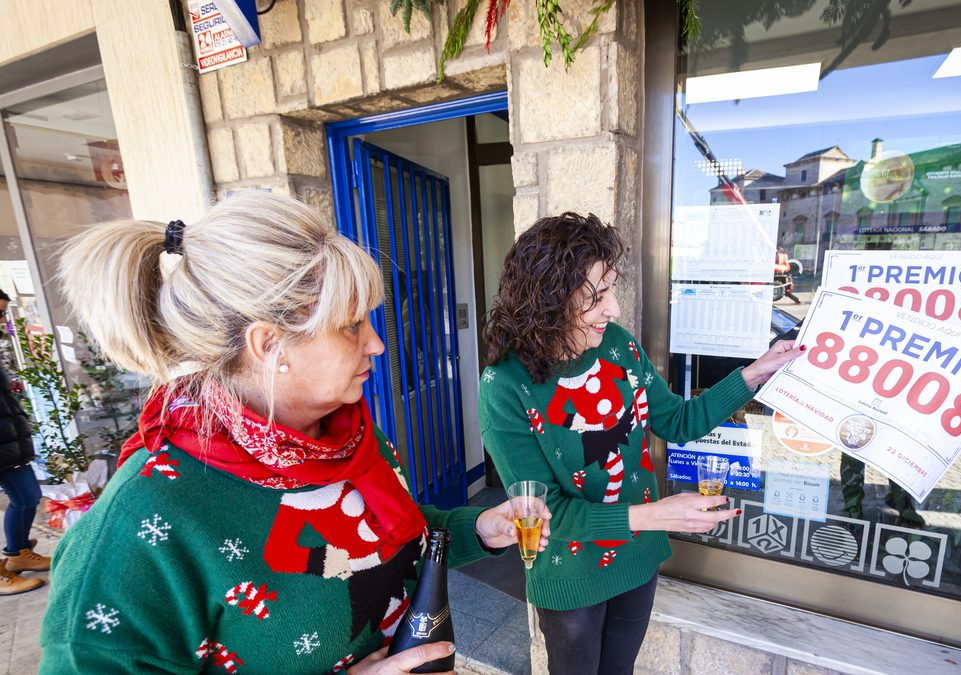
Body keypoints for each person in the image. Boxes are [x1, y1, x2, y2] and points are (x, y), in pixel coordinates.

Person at [40, 193, 550, 675]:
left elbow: (397, 535)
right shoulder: (141, 522)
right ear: (269, 345)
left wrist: (480, 529)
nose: (376, 344)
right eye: (352, 325)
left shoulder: (347, 437)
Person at [479, 213, 798, 675]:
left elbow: (679, 421)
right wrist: (660, 515)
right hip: (572, 578)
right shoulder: (505, 385)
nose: (613, 309)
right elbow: (547, 513)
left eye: (611, 290)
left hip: (636, 558)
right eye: (596, 296)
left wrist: (754, 373)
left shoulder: (618, 347)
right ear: (547, 300)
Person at [0, 291, 49, 595]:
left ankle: (18, 554)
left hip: (8, 444)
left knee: (28, 495)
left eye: (3, 313)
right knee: (25, 496)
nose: (1, 320)